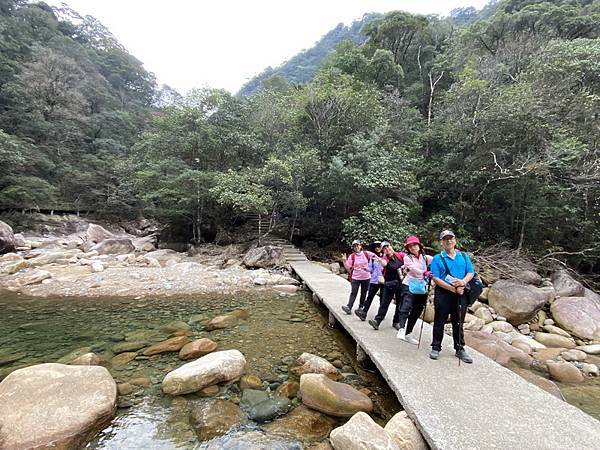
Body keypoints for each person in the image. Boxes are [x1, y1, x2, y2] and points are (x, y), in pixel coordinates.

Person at [429, 230, 474, 363]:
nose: (449, 241)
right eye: (445, 239)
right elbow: (436, 278)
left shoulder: (464, 256)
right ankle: (436, 347)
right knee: (439, 321)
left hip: (461, 293)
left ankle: (460, 348)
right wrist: (453, 289)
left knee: (458, 321)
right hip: (443, 293)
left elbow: (470, 272)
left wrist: (463, 282)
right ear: (441, 243)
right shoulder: (437, 258)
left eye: (451, 238)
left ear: (455, 240)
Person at [396, 236, 433, 344]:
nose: (413, 248)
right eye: (410, 246)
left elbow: (437, 260)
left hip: (421, 287)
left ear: (419, 246)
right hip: (409, 284)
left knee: (417, 310)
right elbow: (412, 268)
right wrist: (424, 273)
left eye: (414, 245)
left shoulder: (426, 258)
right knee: (406, 306)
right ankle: (401, 329)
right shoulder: (407, 258)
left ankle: (408, 333)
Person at [368, 241, 405, 330]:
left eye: (388, 247)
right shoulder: (385, 258)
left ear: (391, 247)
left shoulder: (400, 255)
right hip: (389, 284)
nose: (387, 249)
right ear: (383, 251)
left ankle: (396, 322)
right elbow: (384, 263)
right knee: (384, 303)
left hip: (401, 283)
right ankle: (377, 321)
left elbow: (408, 261)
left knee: (399, 303)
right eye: (384, 248)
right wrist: (381, 261)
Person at [341, 240, 381, 315]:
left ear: (361, 246)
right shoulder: (352, 256)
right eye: (354, 246)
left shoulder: (366, 253)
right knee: (353, 292)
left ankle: (361, 307)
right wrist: (344, 261)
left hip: (366, 277)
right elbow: (348, 267)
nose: (356, 247)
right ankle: (349, 307)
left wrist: (379, 261)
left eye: (357, 245)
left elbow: (377, 257)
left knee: (363, 293)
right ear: (353, 248)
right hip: (355, 277)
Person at [355, 241, 384, 321]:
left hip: (384, 280)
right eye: (376, 247)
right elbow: (371, 268)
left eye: (379, 247)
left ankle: (380, 315)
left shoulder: (385, 257)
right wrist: (366, 269)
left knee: (383, 298)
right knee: (370, 297)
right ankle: (364, 313)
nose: (377, 248)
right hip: (374, 280)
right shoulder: (373, 258)